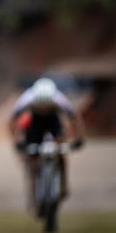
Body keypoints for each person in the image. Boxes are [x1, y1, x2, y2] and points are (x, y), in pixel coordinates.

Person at [9, 77, 85, 209]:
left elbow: (75, 118)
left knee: (60, 149)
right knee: (32, 154)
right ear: (35, 100)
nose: (43, 109)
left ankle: (63, 183)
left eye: (46, 106)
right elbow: (11, 122)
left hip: (53, 121)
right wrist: (16, 141)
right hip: (35, 123)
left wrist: (79, 139)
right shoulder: (26, 99)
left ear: (52, 100)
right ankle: (34, 186)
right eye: (41, 106)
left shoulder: (59, 100)